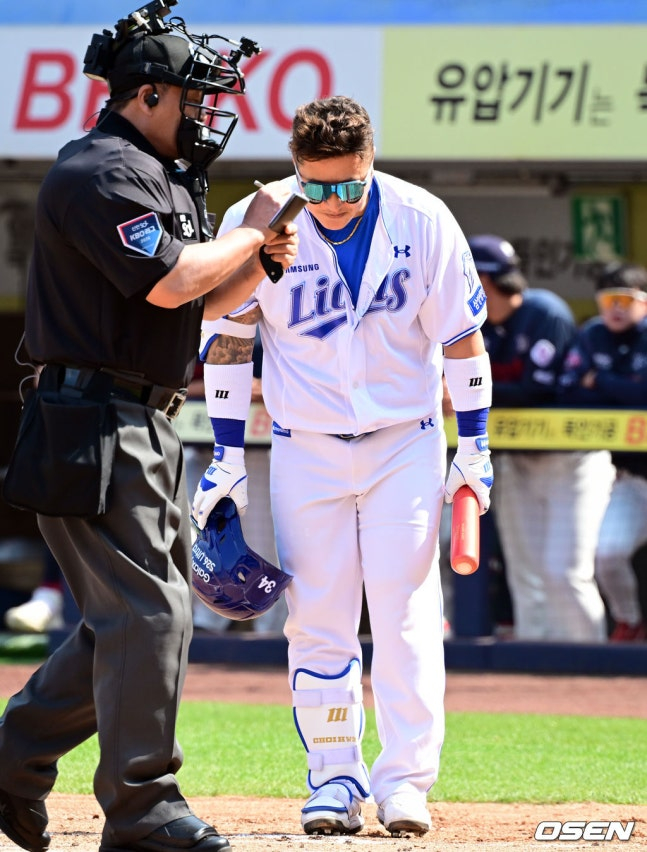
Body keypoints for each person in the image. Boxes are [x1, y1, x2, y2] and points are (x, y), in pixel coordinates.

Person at [0, 5, 298, 852]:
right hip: (89, 418)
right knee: (151, 615)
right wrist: (246, 230)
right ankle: (143, 808)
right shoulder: (99, 170)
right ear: (148, 94)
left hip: (144, 417)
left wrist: (255, 259)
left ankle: (9, 763)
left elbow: (200, 304)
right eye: (194, 98)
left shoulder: (163, 175)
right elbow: (169, 281)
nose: (207, 113)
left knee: (122, 623)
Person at [191, 95, 493, 837]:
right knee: (317, 619)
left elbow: (460, 343)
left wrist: (475, 447)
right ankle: (331, 780)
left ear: (370, 163)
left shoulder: (422, 219)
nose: (332, 201)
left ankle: (403, 784)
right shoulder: (256, 220)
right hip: (304, 444)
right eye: (317, 185)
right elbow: (227, 341)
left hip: (405, 440)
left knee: (405, 614)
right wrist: (227, 452)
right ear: (296, 168)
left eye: (349, 184)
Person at [469, 234, 615, 642]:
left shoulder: (543, 312)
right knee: (524, 574)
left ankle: (589, 660)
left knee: (563, 572)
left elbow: (541, 389)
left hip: (571, 460)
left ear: (484, 279)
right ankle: (537, 671)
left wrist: (467, 390)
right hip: (518, 460)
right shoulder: (475, 324)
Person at [559, 262, 647, 641]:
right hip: (631, 477)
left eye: (625, 300)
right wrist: (622, 388)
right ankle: (629, 621)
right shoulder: (593, 334)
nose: (616, 308)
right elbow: (567, 390)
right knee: (608, 554)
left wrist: (603, 382)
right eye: (608, 299)